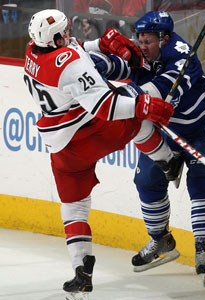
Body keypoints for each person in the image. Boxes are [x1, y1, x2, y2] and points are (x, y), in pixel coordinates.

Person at [24, 9, 175, 299]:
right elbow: (105, 106)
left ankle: (81, 273)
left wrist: (100, 46)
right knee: (136, 118)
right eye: (64, 33)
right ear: (55, 37)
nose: (69, 35)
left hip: (62, 150)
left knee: (73, 208)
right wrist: (144, 106)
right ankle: (168, 160)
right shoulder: (67, 64)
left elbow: (72, 50)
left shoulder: (34, 51)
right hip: (91, 133)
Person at [88, 11, 205, 283]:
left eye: (148, 40)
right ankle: (161, 240)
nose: (142, 44)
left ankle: (203, 253)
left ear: (164, 39)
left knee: (203, 183)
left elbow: (155, 91)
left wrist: (115, 100)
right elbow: (118, 64)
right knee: (147, 180)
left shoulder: (182, 58)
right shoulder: (141, 50)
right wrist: (94, 65)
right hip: (167, 128)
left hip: (203, 126)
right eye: (139, 38)